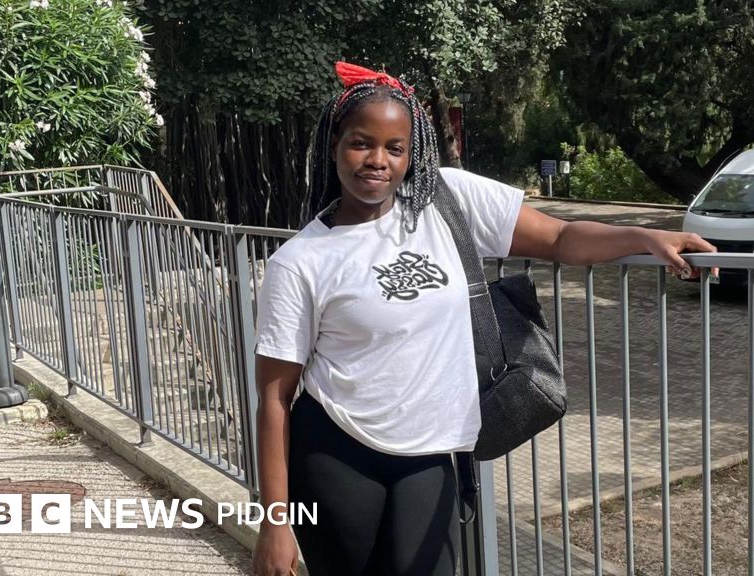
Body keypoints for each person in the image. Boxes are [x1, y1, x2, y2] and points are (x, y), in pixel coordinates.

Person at [251, 62, 716, 576]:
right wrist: (274, 524)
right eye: (361, 143)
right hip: (336, 456)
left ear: (412, 152)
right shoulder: (300, 261)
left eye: (395, 148)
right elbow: (274, 399)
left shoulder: (447, 202)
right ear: (334, 144)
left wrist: (646, 237)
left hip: (430, 456)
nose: (378, 160)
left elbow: (559, 238)